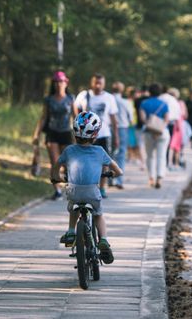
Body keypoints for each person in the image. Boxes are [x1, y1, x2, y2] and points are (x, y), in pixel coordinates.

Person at [52, 111, 123, 264]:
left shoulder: (69, 150)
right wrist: (111, 175)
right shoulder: (100, 151)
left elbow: (56, 165)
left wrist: (56, 177)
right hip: (92, 191)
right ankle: (103, 240)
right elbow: (118, 171)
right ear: (95, 134)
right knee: (98, 215)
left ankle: (71, 232)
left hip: (74, 191)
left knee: (73, 208)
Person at [32, 71, 78, 200]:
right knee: (55, 162)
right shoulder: (48, 100)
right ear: (53, 84)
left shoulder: (70, 99)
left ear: (66, 83)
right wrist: (36, 134)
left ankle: (71, 186)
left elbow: (76, 117)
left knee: (68, 163)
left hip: (66, 133)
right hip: (52, 133)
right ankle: (57, 190)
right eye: (56, 82)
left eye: (61, 81)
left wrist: (79, 134)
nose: (59, 84)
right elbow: (44, 118)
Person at [75, 73, 119, 198]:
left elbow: (114, 118)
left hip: (104, 134)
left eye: (100, 83)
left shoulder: (109, 98)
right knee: (85, 161)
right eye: (96, 82)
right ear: (92, 83)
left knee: (104, 163)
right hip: (86, 135)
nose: (98, 85)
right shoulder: (84, 95)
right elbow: (75, 108)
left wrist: (116, 136)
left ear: (104, 84)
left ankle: (102, 187)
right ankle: (87, 186)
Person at [139, 83, 170, 189]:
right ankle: (159, 178)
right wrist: (159, 130)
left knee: (150, 156)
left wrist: (152, 128)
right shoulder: (164, 104)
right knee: (161, 156)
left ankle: (151, 178)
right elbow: (166, 119)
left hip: (149, 132)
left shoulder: (144, 103)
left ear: (149, 92)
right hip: (162, 133)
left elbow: (143, 119)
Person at [111, 81, 132, 189]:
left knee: (109, 154)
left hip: (110, 128)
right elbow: (131, 118)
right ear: (122, 90)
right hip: (123, 128)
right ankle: (119, 180)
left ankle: (109, 179)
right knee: (121, 154)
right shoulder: (125, 102)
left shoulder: (109, 99)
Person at [160, 86, 181, 165]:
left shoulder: (160, 98)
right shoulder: (174, 101)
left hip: (160, 122)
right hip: (171, 123)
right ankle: (165, 162)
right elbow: (177, 114)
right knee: (167, 144)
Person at [167, 88, 188, 170]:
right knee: (177, 146)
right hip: (178, 126)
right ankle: (176, 164)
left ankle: (169, 163)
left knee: (170, 146)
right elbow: (185, 115)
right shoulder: (181, 103)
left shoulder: (168, 102)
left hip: (170, 124)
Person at [125, 86, 143, 167]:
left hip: (131, 124)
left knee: (132, 142)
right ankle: (133, 157)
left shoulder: (130, 101)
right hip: (132, 124)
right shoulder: (130, 102)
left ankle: (133, 157)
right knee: (133, 142)